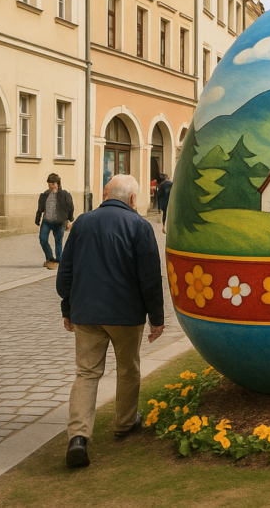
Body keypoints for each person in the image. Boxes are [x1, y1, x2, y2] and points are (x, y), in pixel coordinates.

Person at [56, 174, 164, 468]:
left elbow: (65, 270)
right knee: (128, 368)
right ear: (132, 199)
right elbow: (150, 278)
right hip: (126, 315)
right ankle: (125, 422)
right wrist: (156, 318)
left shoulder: (82, 223)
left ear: (106, 195)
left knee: (86, 373)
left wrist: (67, 307)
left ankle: (78, 437)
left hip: (86, 313)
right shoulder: (140, 226)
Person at [36, 173, 75, 270]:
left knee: (58, 242)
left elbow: (70, 207)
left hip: (60, 221)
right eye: (49, 184)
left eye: (51, 184)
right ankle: (50, 258)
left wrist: (69, 220)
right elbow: (40, 207)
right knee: (43, 239)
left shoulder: (64, 194)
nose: (50, 186)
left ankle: (59, 261)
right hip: (47, 221)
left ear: (57, 184)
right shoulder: (45, 195)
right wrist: (37, 218)